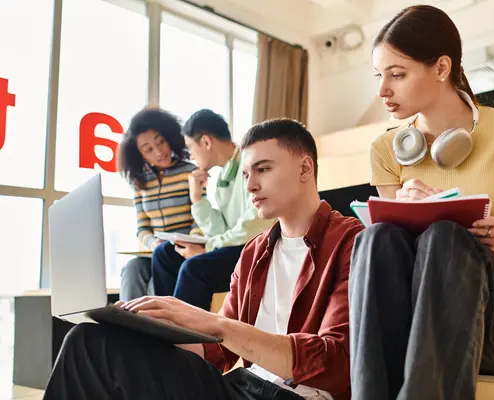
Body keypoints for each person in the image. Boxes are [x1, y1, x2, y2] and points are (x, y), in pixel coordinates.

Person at [43, 118, 363, 400]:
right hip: (242, 387)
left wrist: (214, 324)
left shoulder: (352, 242)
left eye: (263, 169)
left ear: (305, 168)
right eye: (247, 173)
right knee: (90, 341)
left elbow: (334, 364)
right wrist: (143, 334)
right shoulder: (254, 252)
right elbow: (217, 351)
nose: (250, 185)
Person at [349, 5, 494, 400]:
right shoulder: (385, 149)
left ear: (441, 67)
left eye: (397, 74)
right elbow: (394, 260)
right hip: (422, 319)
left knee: (446, 236)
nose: (382, 90)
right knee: (375, 237)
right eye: (380, 76)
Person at [152, 109, 275, 310]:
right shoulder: (221, 176)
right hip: (235, 245)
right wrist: (197, 199)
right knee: (164, 253)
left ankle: (185, 339)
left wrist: (207, 248)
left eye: (190, 147)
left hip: (257, 247)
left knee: (194, 268)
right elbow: (219, 230)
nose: (190, 156)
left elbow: (252, 227)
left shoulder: (252, 164)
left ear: (206, 142)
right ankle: (163, 324)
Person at [117, 107, 204, 301]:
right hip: (156, 250)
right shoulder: (139, 182)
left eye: (161, 142)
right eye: (148, 149)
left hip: (183, 250)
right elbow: (142, 228)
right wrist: (153, 243)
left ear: (169, 138)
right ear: (139, 154)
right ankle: (125, 327)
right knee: (132, 269)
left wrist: (191, 243)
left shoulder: (190, 172)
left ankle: (157, 328)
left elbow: (200, 218)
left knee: (153, 284)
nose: (159, 152)